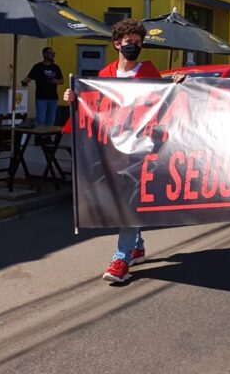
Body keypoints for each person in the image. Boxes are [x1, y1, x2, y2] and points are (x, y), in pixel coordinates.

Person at [63, 19, 185, 283]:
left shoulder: (150, 72)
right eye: (130, 43)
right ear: (117, 44)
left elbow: (165, 102)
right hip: (112, 147)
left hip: (141, 147)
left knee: (127, 199)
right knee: (120, 197)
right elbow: (93, 104)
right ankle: (137, 245)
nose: (134, 47)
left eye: (138, 43)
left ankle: (121, 258)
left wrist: (176, 84)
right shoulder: (105, 75)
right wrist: (73, 98)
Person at [21, 47, 64, 126]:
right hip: (41, 98)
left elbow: (62, 80)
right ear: (45, 54)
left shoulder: (56, 67)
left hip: (53, 98)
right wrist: (24, 82)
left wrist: (56, 81)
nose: (53, 55)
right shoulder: (38, 67)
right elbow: (29, 78)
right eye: (51, 53)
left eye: (54, 53)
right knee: (41, 120)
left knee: (51, 120)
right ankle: (40, 137)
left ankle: (47, 137)